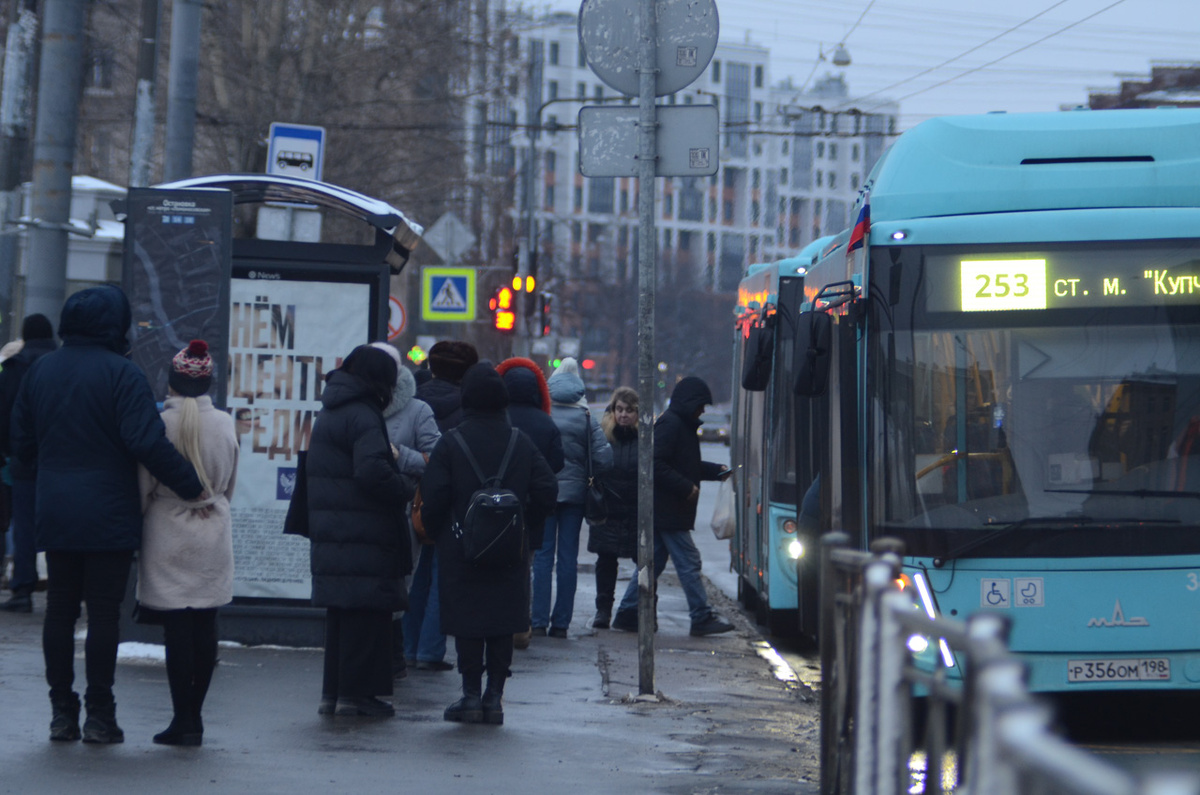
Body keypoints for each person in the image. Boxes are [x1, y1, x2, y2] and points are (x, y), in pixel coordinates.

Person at [11, 285, 206, 744]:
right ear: (115, 325)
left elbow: (20, 443)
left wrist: (50, 470)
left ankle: (61, 712)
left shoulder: (41, 371)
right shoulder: (124, 374)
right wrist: (191, 485)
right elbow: (146, 442)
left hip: (56, 506)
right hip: (110, 510)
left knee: (58, 610)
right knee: (102, 613)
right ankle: (101, 713)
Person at [420, 363, 558, 725]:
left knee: (469, 620)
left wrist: (439, 532)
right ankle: (494, 697)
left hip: (461, 547)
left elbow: (433, 496)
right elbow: (547, 489)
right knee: (501, 620)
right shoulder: (520, 441)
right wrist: (525, 525)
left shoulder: (451, 442)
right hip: (509, 548)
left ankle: (469, 696)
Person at [137, 340, 239, 746]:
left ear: (172, 382)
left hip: (167, 527)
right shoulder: (226, 423)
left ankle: (182, 717)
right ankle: (194, 715)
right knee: (204, 622)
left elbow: (143, 485)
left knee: (176, 625)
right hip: (212, 525)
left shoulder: (160, 423)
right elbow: (230, 484)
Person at [307, 345, 415, 717]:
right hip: (363, 531)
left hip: (336, 529)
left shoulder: (333, 409)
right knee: (367, 614)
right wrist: (405, 488)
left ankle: (334, 693)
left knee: (342, 615)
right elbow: (371, 471)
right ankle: (358, 695)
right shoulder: (363, 414)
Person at [610, 376, 736, 637]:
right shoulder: (673, 424)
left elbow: (683, 465)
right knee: (689, 561)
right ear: (691, 403)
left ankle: (627, 612)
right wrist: (685, 487)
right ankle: (700, 616)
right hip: (668, 510)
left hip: (667, 510)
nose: (703, 411)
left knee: (650, 563)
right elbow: (654, 463)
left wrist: (716, 472)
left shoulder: (681, 424)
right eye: (701, 405)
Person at [406, 340, 478, 672]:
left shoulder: (413, 402)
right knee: (442, 577)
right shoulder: (469, 407)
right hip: (453, 502)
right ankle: (430, 651)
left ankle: (407, 645)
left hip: (415, 498)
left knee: (416, 573)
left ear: (432, 367)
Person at [372, 342, 440, 679]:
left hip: (403, 513)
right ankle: (382, 656)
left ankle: (396, 657)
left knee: (402, 584)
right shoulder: (359, 407)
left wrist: (402, 456)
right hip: (366, 512)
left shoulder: (417, 410)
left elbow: (437, 461)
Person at [531, 357, 611, 638]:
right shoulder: (586, 415)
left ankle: (537, 621)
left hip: (544, 492)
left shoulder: (544, 411)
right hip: (575, 496)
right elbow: (604, 457)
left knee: (542, 557)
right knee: (567, 559)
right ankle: (561, 623)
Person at [496, 357, 564, 648]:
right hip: (530, 509)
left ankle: (495, 623)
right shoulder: (545, 423)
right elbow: (557, 464)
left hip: (496, 508)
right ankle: (519, 626)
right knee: (525, 569)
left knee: (494, 568)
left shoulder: (497, 419)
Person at [0, 314, 58, 613]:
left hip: (23, 462)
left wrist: (11, 452)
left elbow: (5, 412)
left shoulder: (15, 367)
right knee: (62, 524)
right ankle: (65, 588)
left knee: (24, 526)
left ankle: (22, 589)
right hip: (62, 460)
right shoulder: (63, 364)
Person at [587, 387, 639, 629]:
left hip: (635, 511)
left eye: (629, 410)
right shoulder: (604, 436)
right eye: (619, 409)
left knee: (645, 563)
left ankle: (644, 611)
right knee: (606, 563)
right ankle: (603, 611)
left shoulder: (646, 439)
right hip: (608, 509)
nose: (624, 415)